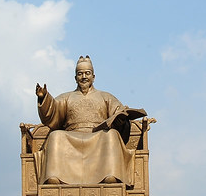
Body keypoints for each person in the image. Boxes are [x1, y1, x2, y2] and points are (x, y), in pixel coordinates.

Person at [35, 56, 147, 185]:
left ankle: (110, 175)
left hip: (99, 135)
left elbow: (118, 113)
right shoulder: (66, 97)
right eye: (80, 74)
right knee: (55, 136)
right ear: (75, 78)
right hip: (72, 135)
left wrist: (121, 118)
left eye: (87, 73)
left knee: (111, 135)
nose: (84, 77)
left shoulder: (106, 96)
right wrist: (44, 98)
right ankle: (54, 177)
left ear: (93, 76)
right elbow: (53, 110)